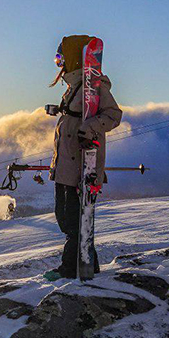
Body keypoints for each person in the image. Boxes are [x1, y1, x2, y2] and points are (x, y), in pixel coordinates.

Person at [44, 35, 123, 281]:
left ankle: (70, 269)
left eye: (61, 58)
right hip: (65, 164)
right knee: (66, 218)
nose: (59, 64)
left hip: (81, 166)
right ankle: (90, 264)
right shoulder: (74, 87)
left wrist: (90, 128)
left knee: (75, 220)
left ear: (74, 57)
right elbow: (76, 117)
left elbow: (113, 114)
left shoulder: (95, 85)